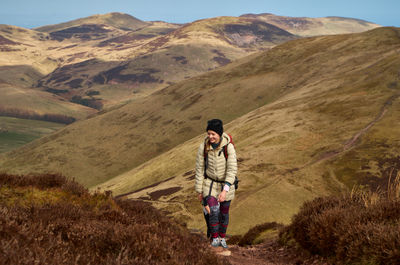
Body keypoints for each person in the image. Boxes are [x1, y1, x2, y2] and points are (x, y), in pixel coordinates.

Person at [195, 119, 237, 248]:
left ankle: (222, 237)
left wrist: (225, 190)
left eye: (213, 134)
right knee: (213, 210)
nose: (210, 137)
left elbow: (232, 169)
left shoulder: (228, 147)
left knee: (223, 213)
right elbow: (199, 169)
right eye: (208, 133)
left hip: (226, 185)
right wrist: (199, 191)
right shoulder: (204, 147)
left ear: (219, 134)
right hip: (210, 184)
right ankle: (215, 238)